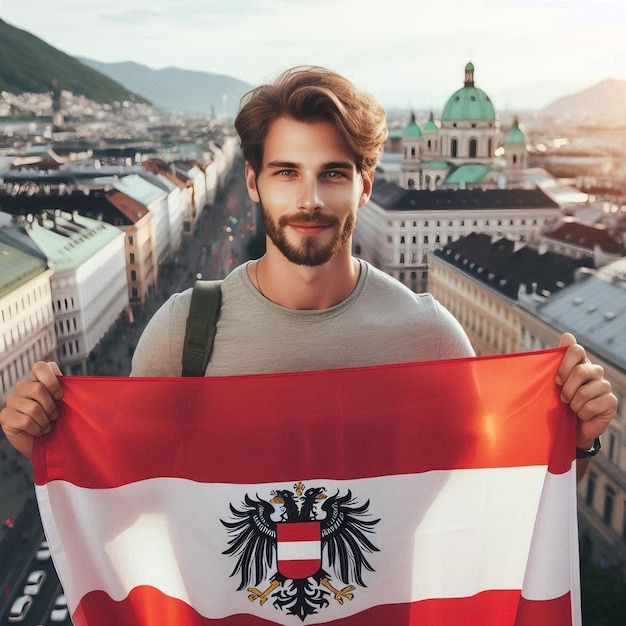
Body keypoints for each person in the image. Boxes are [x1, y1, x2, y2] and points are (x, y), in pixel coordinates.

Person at [0, 65, 617, 471]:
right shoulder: (182, 335)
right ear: (253, 183)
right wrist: (50, 447)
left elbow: (483, 494)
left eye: (334, 174)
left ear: (366, 186)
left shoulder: (430, 337)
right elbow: (134, 498)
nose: (311, 200)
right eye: (287, 172)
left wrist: (577, 436)